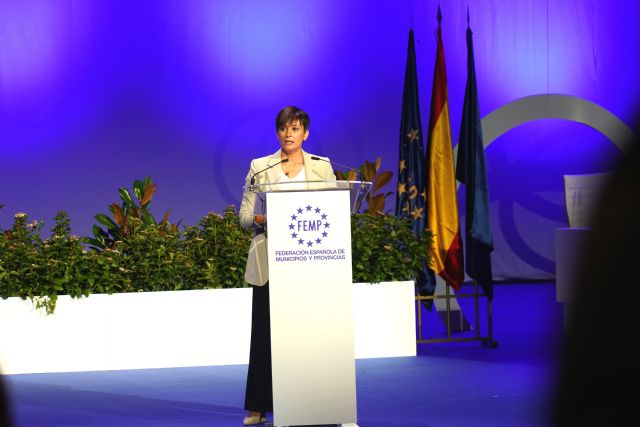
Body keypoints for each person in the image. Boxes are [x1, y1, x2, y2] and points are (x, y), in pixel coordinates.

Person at [238, 106, 336, 425]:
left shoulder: (322, 168)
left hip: (310, 263)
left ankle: (316, 402)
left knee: (311, 334)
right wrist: (263, 218)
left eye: (295, 128)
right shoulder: (260, 167)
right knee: (264, 335)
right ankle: (258, 405)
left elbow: (332, 211)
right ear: (277, 133)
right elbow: (243, 217)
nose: (288, 134)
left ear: (305, 133)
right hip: (270, 261)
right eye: (283, 128)